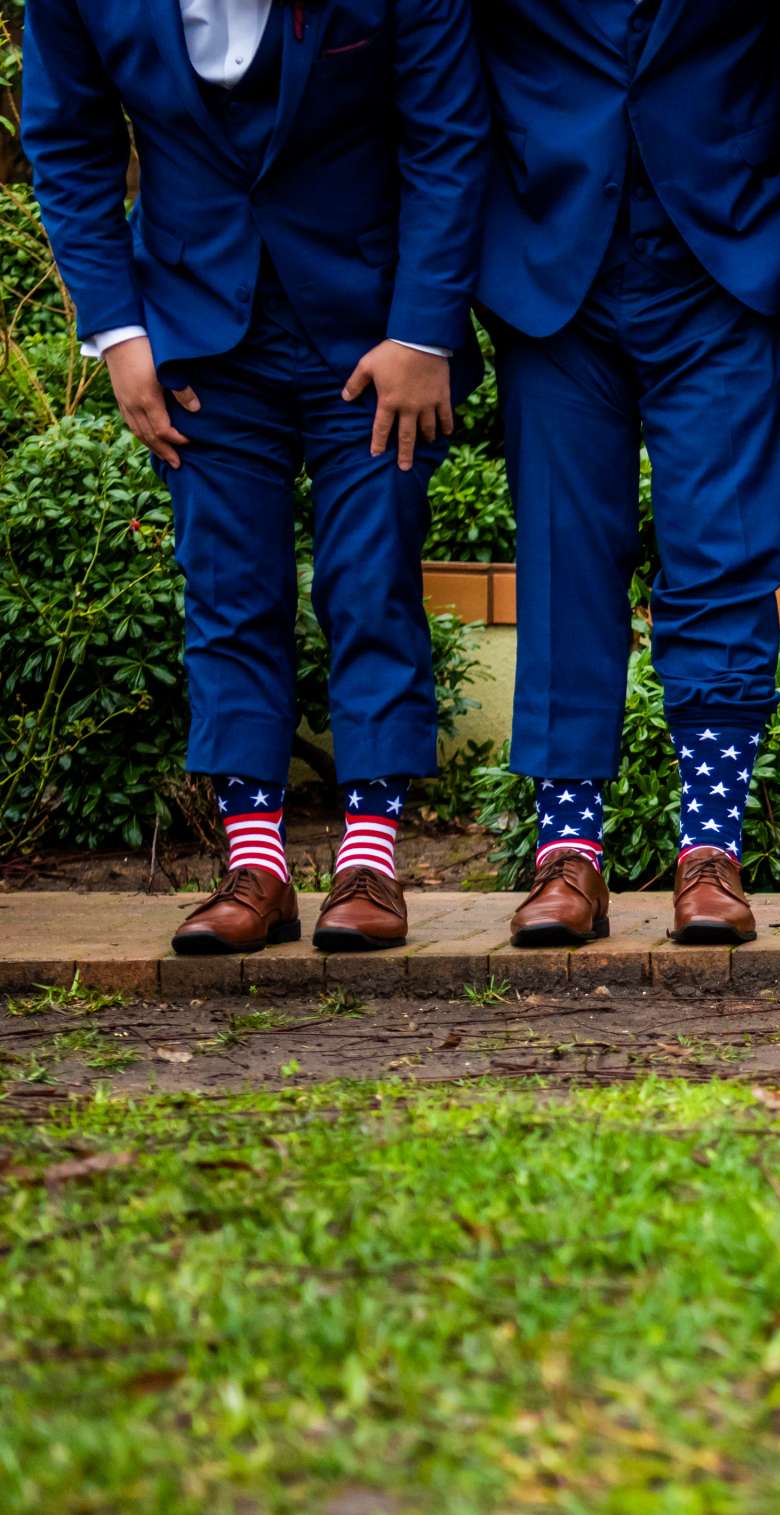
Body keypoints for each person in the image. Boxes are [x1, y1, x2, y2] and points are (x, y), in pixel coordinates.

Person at [20, 0, 489, 957]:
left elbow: (449, 136)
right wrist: (117, 334)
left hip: (372, 331)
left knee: (373, 583)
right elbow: (68, 145)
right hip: (197, 336)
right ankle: (255, 868)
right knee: (229, 594)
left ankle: (369, 861)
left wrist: (422, 330)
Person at [476, 0, 780, 951]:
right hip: (549, 259)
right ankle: (565, 850)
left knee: (727, 552)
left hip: (728, 255)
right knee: (564, 560)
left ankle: (710, 849)